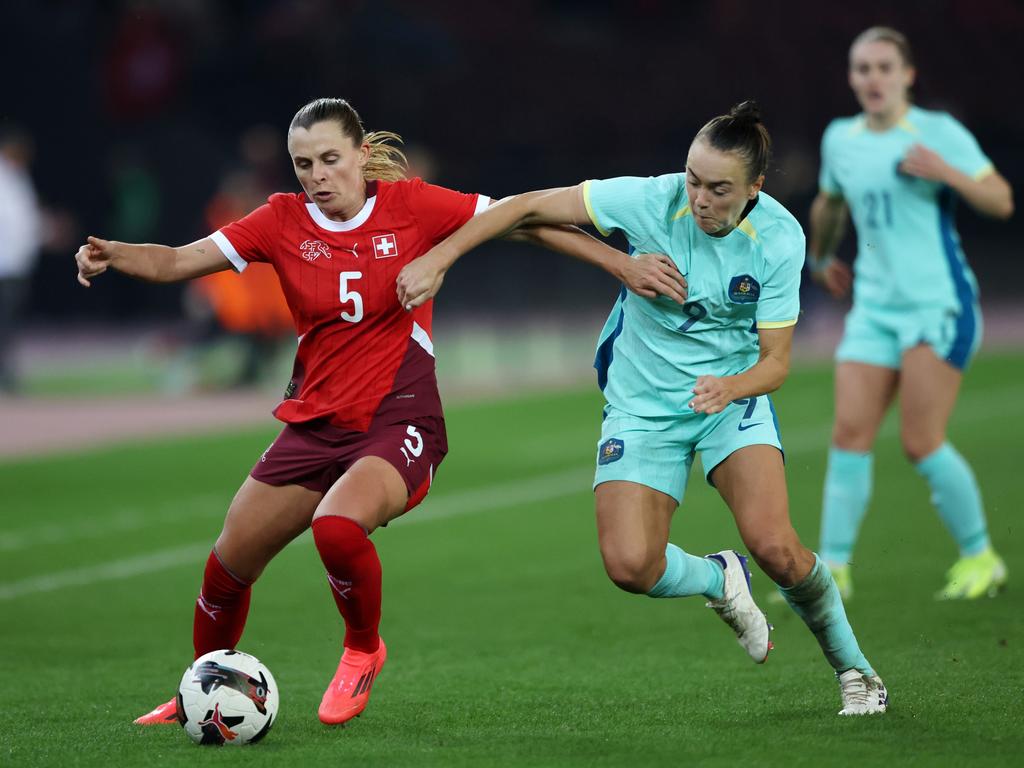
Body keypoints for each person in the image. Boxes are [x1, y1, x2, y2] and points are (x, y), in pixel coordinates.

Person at [74, 98, 685, 727]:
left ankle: (363, 647)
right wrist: (117, 252)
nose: (316, 176)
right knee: (228, 566)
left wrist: (619, 263)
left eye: (330, 160)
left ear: (362, 156)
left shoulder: (412, 205)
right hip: (316, 421)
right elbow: (178, 260)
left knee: (337, 527)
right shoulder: (280, 220)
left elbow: (519, 220)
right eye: (303, 163)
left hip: (401, 418)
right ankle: (198, 692)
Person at [397, 102, 888, 715]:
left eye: (719, 188)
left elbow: (777, 363)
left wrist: (731, 389)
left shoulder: (781, 240)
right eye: (692, 179)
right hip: (642, 406)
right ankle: (717, 578)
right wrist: (442, 258)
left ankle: (856, 672)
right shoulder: (652, 200)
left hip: (729, 399)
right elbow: (522, 208)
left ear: (755, 189)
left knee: (776, 547)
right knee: (630, 565)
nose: (700, 198)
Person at [808, 27, 1013, 600]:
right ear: (851, 78)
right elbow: (829, 200)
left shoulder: (938, 132)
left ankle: (981, 557)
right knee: (849, 434)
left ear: (907, 75)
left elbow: (1000, 199)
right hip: (874, 309)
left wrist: (945, 171)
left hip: (936, 307)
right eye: (862, 68)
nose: (872, 78)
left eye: (883, 67)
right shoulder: (840, 139)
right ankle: (834, 570)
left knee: (921, 442)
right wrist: (820, 256)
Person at [0, 127, 42, 394]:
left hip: (16, 263)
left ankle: (7, 374)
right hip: (4, 264)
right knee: (4, 325)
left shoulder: (16, 176)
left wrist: (45, 230)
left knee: (8, 325)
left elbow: (25, 221)